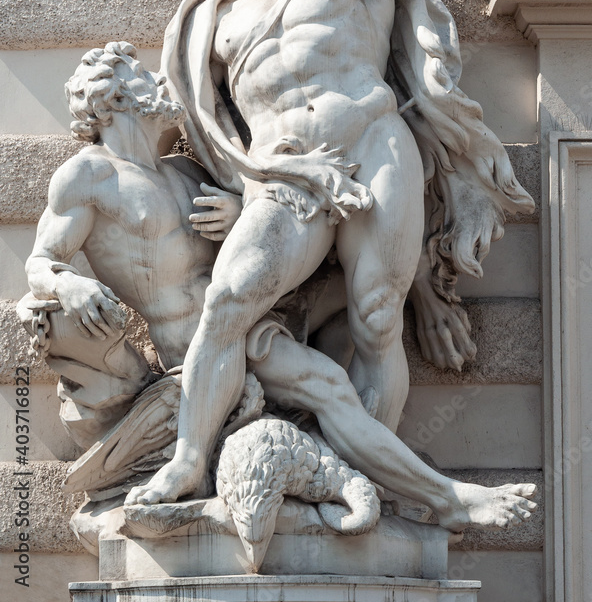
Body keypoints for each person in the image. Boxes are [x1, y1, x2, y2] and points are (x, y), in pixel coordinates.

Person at [131, 0, 533, 506]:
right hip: (285, 176)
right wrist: (238, 182)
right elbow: (201, 125)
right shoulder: (212, 20)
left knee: (378, 316)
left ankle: (356, 485)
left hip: (374, 143)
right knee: (227, 304)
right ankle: (187, 459)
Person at [20, 41, 537, 535]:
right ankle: (447, 498)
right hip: (196, 340)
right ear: (111, 97)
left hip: (255, 321)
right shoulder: (87, 176)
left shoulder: (182, 171)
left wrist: (237, 210)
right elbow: (42, 261)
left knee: (355, 343)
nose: (158, 79)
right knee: (329, 387)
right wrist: (69, 288)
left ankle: (423, 494)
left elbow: (253, 232)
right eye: (140, 74)